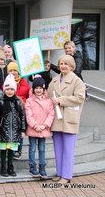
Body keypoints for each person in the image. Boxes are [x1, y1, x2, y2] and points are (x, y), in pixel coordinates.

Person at [48, 55, 86, 184]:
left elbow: (80, 98)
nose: (63, 66)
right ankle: (60, 173)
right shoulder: (54, 80)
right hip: (56, 118)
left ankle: (67, 175)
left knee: (68, 149)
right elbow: (48, 96)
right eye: (61, 63)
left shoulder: (77, 81)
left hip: (69, 118)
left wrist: (61, 100)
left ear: (71, 66)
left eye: (66, 64)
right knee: (58, 148)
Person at [0, 74, 26, 177]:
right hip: (4, 131)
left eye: (12, 89)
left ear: (15, 90)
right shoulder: (1, 102)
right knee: (3, 151)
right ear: (4, 90)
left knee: (12, 150)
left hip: (15, 130)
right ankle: (3, 168)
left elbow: (22, 116)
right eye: (7, 89)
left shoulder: (18, 102)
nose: (9, 91)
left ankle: (10, 167)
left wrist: (23, 129)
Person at [25, 76, 55, 178]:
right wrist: (35, 126)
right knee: (32, 148)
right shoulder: (29, 101)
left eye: (40, 88)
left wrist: (44, 125)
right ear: (33, 89)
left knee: (42, 148)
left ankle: (42, 167)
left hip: (43, 129)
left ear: (44, 89)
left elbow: (51, 114)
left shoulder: (48, 101)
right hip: (33, 129)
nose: (38, 90)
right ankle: (32, 167)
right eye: (36, 88)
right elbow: (28, 115)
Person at [6, 61, 30, 160]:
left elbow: (29, 96)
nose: (13, 72)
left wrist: (23, 103)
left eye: (15, 70)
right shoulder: (7, 81)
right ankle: (10, 150)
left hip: (21, 110)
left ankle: (18, 150)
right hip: (10, 110)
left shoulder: (24, 82)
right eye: (11, 70)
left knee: (20, 130)